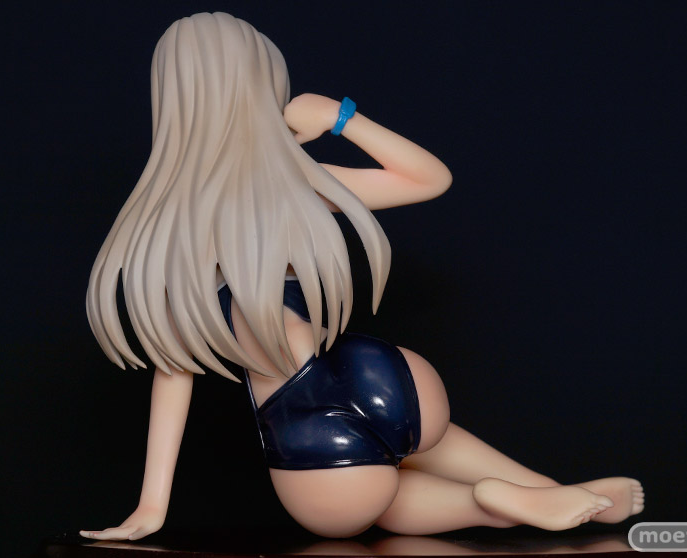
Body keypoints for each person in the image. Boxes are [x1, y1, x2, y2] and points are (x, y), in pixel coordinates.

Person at [81, 12, 644, 540]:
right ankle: (547, 492)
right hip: (385, 375)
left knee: (368, 506)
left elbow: (174, 368)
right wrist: (340, 117)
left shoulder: (174, 225)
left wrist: (152, 506)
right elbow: (430, 178)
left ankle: (487, 503)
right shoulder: (299, 182)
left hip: (306, 420)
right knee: (414, 475)